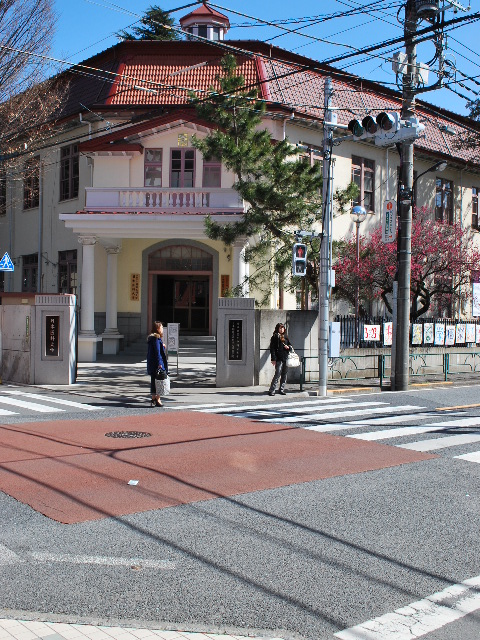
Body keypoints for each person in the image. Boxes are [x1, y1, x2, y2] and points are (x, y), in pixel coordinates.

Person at [146, 321, 168, 407]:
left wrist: (162, 346)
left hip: (152, 363)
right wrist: (160, 363)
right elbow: (157, 352)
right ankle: (158, 398)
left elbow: (156, 349)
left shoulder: (153, 339)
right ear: (158, 328)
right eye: (162, 327)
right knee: (159, 380)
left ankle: (153, 398)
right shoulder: (156, 339)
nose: (162, 329)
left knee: (154, 381)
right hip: (157, 363)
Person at [268, 322, 292, 396]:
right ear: (277, 329)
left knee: (284, 374)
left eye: (282, 328)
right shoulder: (275, 337)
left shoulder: (285, 336)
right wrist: (273, 359)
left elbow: (290, 345)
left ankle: (281, 389)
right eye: (280, 328)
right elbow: (272, 349)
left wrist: (288, 347)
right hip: (278, 358)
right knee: (277, 374)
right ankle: (272, 390)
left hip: (285, 357)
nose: (281, 329)